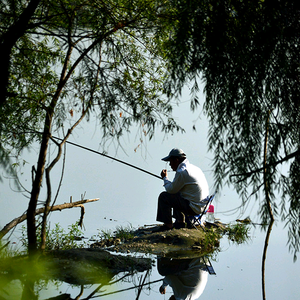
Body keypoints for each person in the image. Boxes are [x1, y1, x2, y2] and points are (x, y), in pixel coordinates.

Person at [156, 148, 209, 231]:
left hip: (195, 208)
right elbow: (175, 188)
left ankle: (168, 225)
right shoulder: (194, 168)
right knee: (179, 193)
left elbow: (170, 190)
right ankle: (180, 221)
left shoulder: (182, 172)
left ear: (176, 160)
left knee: (164, 196)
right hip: (203, 206)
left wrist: (165, 178)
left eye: (170, 161)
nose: (170, 164)